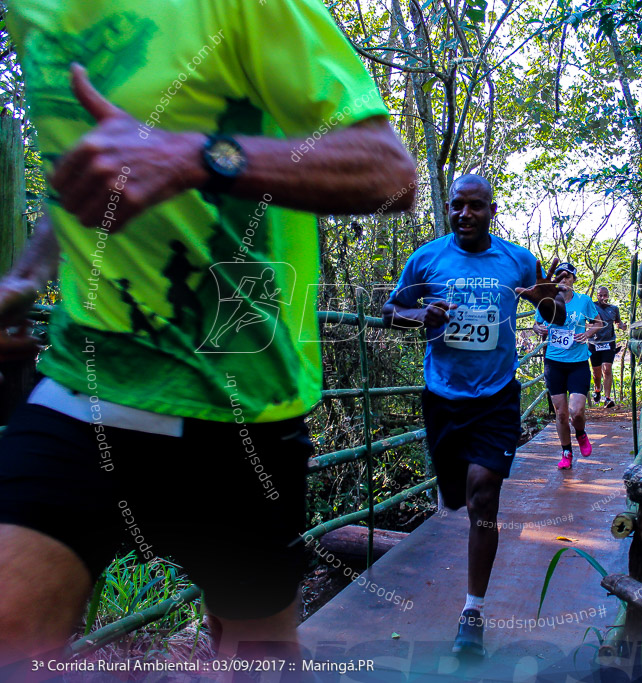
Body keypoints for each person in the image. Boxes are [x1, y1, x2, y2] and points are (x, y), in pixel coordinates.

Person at [0, 0, 415, 670]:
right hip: (89, 377)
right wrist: (23, 277)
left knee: (257, 659)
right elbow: (95, 168)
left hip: (241, 403)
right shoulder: (29, 13)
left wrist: (198, 155)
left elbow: (389, 172)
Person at [381, 174, 566, 657]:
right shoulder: (427, 258)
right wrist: (421, 317)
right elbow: (389, 310)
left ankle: (472, 612)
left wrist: (541, 297)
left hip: (496, 397)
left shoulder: (517, 259)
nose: (465, 214)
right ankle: (456, 492)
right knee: (458, 499)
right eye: (457, 206)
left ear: (492, 209)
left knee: (483, 497)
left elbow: (556, 315)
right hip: (442, 398)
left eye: (475, 207)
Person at [532, 263, 600, 470]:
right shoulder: (546, 301)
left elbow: (597, 323)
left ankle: (580, 433)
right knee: (561, 413)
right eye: (559, 277)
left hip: (578, 362)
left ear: (573, 280)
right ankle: (566, 452)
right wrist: (539, 329)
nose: (563, 280)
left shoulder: (584, 301)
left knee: (576, 411)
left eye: (567, 277)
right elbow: (536, 324)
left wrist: (587, 334)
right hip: (554, 363)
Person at [589, 286, 627, 407]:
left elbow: (617, 322)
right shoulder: (592, 307)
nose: (603, 298)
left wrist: (623, 326)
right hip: (594, 343)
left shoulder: (614, 309)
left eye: (605, 295)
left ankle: (607, 398)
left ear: (608, 296)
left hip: (609, 342)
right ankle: (597, 390)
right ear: (597, 295)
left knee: (607, 369)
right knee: (596, 372)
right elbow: (584, 321)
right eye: (600, 295)